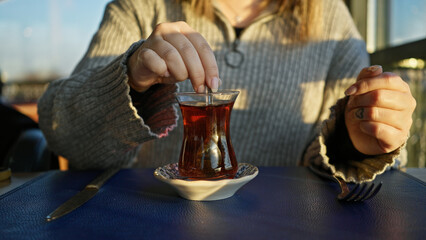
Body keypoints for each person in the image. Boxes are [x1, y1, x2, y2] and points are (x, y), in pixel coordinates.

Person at [38, 0, 416, 182]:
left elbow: (346, 159)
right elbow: (63, 134)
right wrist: (132, 80)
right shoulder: (143, 6)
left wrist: (356, 139)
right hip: (154, 220)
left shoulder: (330, 17)